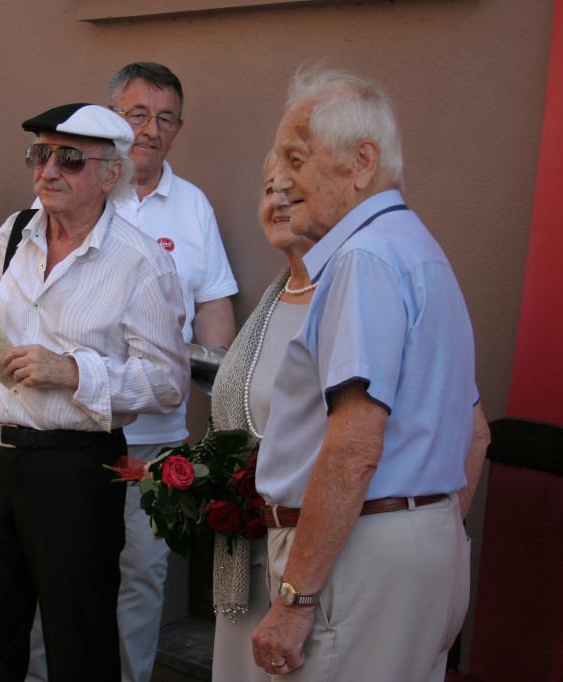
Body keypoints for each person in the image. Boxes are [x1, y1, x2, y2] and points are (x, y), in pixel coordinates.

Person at [249, 68, 491, 681]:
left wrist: (296, 601)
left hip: (361, 553)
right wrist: (422, 523)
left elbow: (354, 445)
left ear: (362, 162)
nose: (283, 177)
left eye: (297, 157)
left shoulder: (362, 256)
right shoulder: (418, 249)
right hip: (418, 541)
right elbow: (474, 429)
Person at [0, 103, 189, 682]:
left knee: (78, 643)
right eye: (40, 154)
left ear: (110, 173)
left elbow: (167, 383)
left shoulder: (141, 262)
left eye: (70, 158)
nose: (48, 171)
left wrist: (75, 372)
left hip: (74, 470)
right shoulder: (14, 235)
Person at [25, 62, 239, 682]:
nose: (150, 129)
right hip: (70, 430)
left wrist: (211, 393)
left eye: (165, 118)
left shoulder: (193, 206)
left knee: (141, 572)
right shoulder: (67, 189)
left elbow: (215, 309)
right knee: (57, 569)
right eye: (137, 114)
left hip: (154, 436)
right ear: (110, 119)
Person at [208, 151, 314, 682]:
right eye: (269, 187)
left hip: (309, 560)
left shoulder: (351, 295)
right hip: (246, 553)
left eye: (292, 187)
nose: (277, 199)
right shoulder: (275, 298)